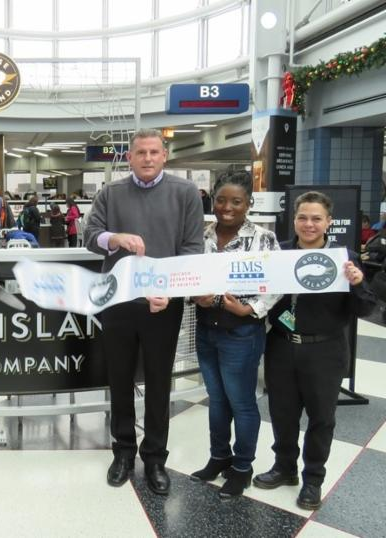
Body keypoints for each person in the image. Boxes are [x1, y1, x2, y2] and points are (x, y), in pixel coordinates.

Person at [84, 128, 204, 496]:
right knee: (118, 378)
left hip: (162, 306)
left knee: (158, 380)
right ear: (130, 157)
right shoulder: (111, 193)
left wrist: (168, 290)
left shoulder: (186, 194)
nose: (148, 158)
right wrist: (115, 238)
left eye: (154, 151)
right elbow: (91, 236)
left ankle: (154, 458)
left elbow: (192, 249)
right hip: (118, 303)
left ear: (165, 155)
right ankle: (122, 451)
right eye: (141, 152)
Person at [253, 191, 376, 511]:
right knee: (282, 412)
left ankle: (313, 479)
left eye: (316, 218)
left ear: (329, 222)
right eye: (303, 217)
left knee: (322, 418)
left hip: (325, 350)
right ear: (293, 220)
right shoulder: (277, 253)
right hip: (281, 345)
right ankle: (284, 467)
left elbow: (364, 308)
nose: (309, 224)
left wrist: (357, 281)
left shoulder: (344, 257)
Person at [188, 171, 280, 498]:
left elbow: (277, 283)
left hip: (241, 332)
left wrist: (251, 309)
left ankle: (242, 467)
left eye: (236, 201)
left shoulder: (263, 238)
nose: (227, 207)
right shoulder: (201, 235)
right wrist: (192, 293)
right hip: (206, 330)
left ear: (248, 204)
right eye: (221, 200)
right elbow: (187, 275)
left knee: (241, 402)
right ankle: (218, 458)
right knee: (217, 400)